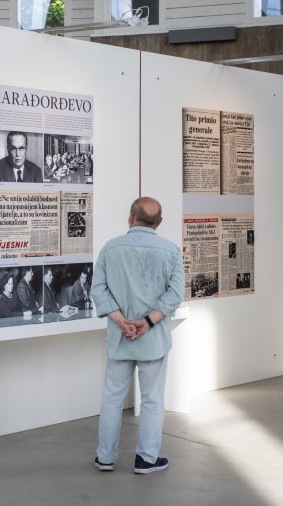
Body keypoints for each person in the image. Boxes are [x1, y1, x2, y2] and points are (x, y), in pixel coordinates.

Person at [91, 197, 184, 475]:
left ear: (131, 217)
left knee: (112, 399)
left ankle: (105, 458)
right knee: (153, 400)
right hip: (152, 340)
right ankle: (146, 459)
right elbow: (175, 295)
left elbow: (99, 290)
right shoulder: (170, 250)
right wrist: (147, 322)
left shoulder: (111, 248)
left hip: (120, 339)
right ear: (159, 223)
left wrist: (121, 321)